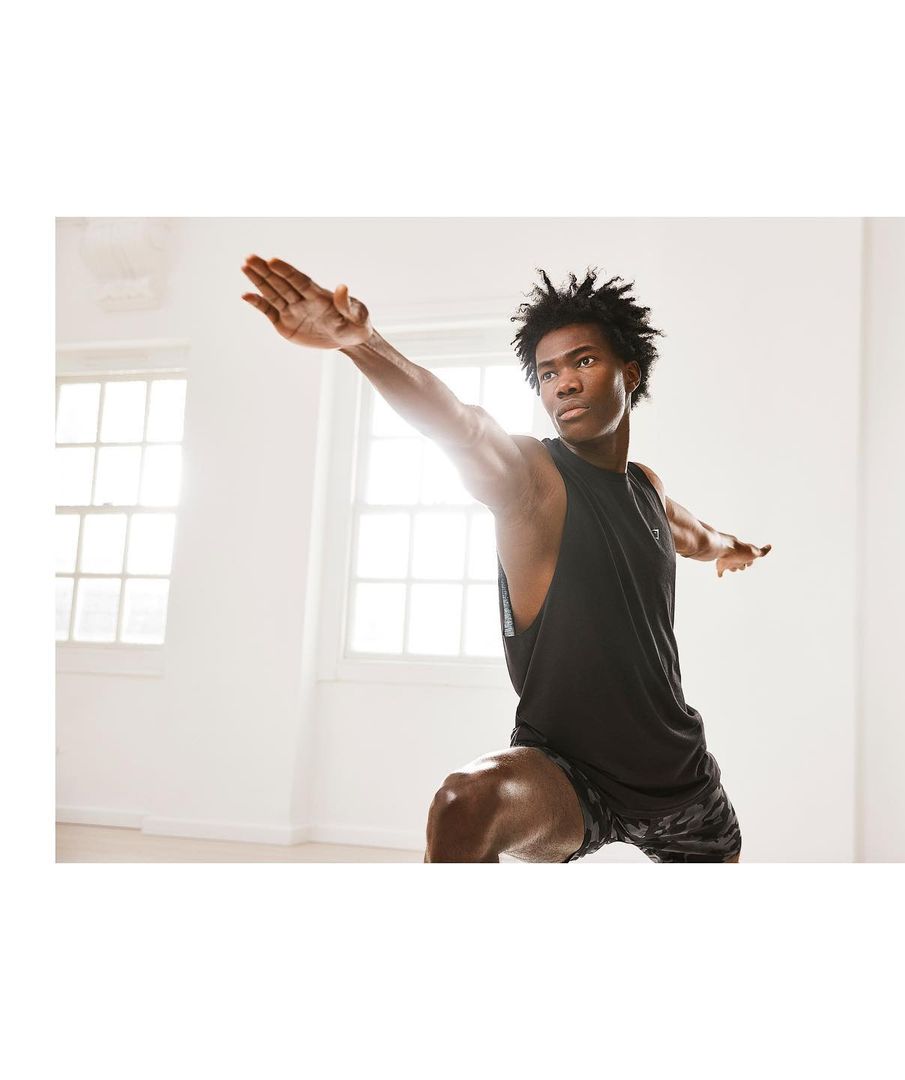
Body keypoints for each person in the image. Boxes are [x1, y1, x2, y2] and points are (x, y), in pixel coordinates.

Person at [241, 255, 771, 863]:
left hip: (679, 781)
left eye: (584, 361)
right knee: (464, 803)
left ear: (631, 370)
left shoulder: (646, 489)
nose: (564, 382)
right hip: (568, 777)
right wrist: (363, 344)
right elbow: (462, 428)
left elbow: (696, 534)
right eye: (547, 373)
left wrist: (737, 549)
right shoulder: (531, 480)